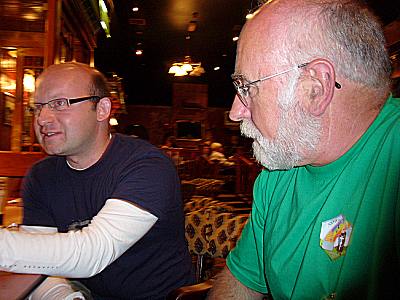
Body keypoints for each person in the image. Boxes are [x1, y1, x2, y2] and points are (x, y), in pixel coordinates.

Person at [207, 0, 399, 299]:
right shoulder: (277, 173)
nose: (235, 112)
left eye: (246, 87)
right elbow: (242, 281)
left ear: (316, 87)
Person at [0, 62, 194, 299]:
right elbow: (36, 264)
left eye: (60, 104)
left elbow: (93, 252)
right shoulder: (41, 176)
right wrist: (65, 297)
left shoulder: (147, 165)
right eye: (37, 107)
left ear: (102, 109)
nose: (42, 118)